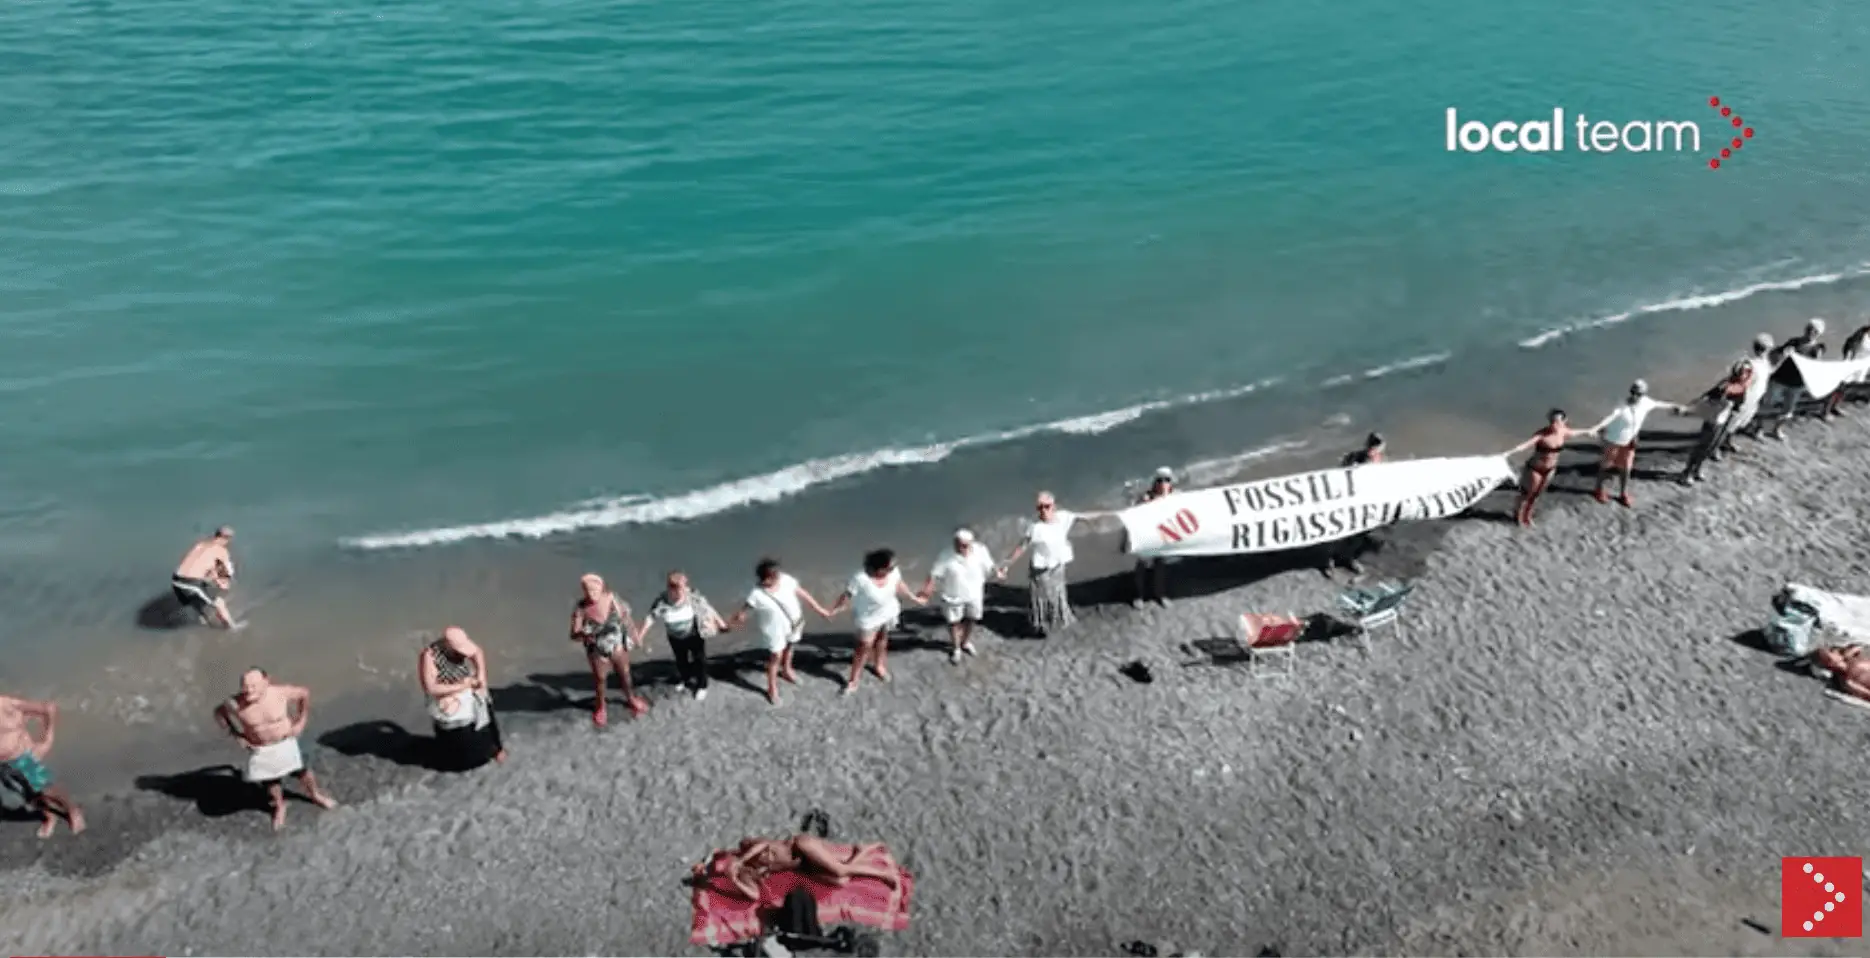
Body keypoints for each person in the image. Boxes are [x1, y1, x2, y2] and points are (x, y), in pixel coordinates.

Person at [212, 668, 339, 830]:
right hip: (262, 748)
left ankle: (315, 795)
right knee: (271, 783)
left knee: (304, 772)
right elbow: (219, 713)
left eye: (254, 686)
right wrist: (236, 735)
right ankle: (279, 806)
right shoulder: (236, 704)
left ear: (266, 682)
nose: (249, 690)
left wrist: (301, 721)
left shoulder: (280, 693)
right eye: (245, 687)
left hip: (287, 741)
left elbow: (304, 694)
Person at [725, 558, 833, 706]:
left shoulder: (786, 580)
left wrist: (820, 610)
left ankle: (787, 670)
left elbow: (803, 594)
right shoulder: (756, 594)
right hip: (773, 631)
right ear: (766, 578)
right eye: (775, 575)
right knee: (776, 656)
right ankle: (772, 688)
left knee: (791, 646)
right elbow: (743, 613)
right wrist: (728, 625)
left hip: (794, 623)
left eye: (778, 573)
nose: (779, 576)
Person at [1002, 491, 1103, 638]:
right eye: (1040, 507)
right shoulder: (1035, 528)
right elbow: (1021, 547)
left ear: (1053, 506)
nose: (1043, 510)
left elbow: (1081, 517)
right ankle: (1041, 626)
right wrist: (1007, 565)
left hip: (1057, 565)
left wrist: (1103, 516)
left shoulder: (1063, 517)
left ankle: (1060, 621)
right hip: (1041, 570)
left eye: (1047, 506)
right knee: (1042, 598)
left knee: (1058, 594)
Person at [825, 548, 926, 695]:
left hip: (887, 612)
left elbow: (899, 585)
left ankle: (879, 666)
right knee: (863, 647)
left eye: (892, 567)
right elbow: (847, 595)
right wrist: (834, 610)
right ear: (879, 568)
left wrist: (914, 598)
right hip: (868, 617)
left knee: (882, 639)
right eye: (889, 567)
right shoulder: (860, 578)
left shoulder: (893, 572)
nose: (893, 569)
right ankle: (854, 680)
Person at [1585, 380, 1690, 507]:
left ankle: (1623, 493)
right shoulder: (1621, 407)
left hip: (1630, 441)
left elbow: (1659, 404)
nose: (1635, 396)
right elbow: (1609, 418)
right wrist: (1595, 428)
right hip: (1613, 440)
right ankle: (1598, 490)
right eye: (1633, 392)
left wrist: (1676, 406)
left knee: (1626, 469)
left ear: (1643, 394)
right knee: (1606, 466)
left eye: (1639, 394)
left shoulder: (1646, 402)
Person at [712, 834, 902, 902]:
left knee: (840, 870)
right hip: (803, 866)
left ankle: (883, 874)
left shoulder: (746, 848)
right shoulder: (745, 876)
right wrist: (735, 879)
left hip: (800, 846)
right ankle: (863, 852)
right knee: (841, 882)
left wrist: (742, 859)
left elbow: (763, 844)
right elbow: (755, 896)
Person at [418, 627, 506, 772]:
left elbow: (477, 652)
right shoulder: (430, 656)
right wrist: (461, 686)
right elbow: (431, 688)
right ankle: (457, 757)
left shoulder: (463, 645)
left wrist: (481, 676)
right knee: (452, 722)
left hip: (466, 683)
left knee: (486, 708)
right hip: (448, 692)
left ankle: (496, 748)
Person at [0, 694, 84, 838]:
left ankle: (72, 811)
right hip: (3, 766)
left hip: (24, 759)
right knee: (29, 797)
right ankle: (49, 816)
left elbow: (48, 708)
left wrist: (47, 739)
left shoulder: (7, 704)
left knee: (46, 790)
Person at [570, 573, 646, 727]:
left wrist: (635, 636)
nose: (591, 595)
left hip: (617, 645)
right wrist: (583, 634)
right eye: (588, 592)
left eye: (594, 591)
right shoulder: (581, 608)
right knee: (600, 680)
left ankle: (631, 698)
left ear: (602, 588)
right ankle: (600, 706)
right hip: (597, 649)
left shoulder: (612, 599)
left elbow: (626, 618)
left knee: (625, 675)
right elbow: (573, 634)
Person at [920, 528, 1004, 664]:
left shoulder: (980, 550)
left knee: (972, 618)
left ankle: (965, 642)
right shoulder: (946, 556)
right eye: (959, 544)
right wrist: (926, 591)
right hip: (953, 595)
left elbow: (990, 564)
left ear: (971, 543)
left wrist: (998, 572)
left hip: (975, 593)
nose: (962, 548)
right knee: (953, 622)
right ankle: (956, 647)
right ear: (954, 543)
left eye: (965, 545)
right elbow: (934, 574)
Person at [640, 571, 727, 701]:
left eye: (684, 586)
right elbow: (651, 617)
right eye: (680, 588)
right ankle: (685, 679)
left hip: (693, 633)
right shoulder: (662, 601)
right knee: (681, 659)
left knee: (699, 659)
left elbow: (708, 608)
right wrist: (641, 635)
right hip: (674, 636)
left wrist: (720, 623)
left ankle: (702, 685)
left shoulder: (692, 596)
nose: (684, 590)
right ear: (670, 588)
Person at [1505, 410, 1593, 527]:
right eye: (1552, 422)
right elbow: (1527, 444)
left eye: (1557, 422)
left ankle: (1528, 515)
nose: (1554, 425)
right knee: (1528, 493)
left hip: (1550, 469)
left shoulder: (1563, 432)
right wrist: (1512, 451)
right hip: (1535, 468)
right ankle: (1517, 514)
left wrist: (1590, 431)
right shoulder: (1542, 434)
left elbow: (1577, 432)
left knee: (1537, 494)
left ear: (1564, 422)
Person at [1680, 355, 1757, 485]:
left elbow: (1737, 403)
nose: (1748, 374)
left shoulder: (1739, 386)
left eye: (1748, 372)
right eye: (1745, 372)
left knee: (1711, 447)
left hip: (1724, 420)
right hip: (1713, 420)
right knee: (1703, 447)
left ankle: (1698, 469)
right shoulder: (1728, 387)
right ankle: (1687, 472)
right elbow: (1710, 397)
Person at [1324, 434, 1386, 575]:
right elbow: (1339, 476)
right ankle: (1328, 561)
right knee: (1340, 531)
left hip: (1367, 503)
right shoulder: (1353, 458)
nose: (1372, 451)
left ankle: (1348, 558)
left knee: (1359, 533)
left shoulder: (1381, 462)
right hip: (1349, 501)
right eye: (1371, 447)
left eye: (1376, 448)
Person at [1763, 318, 1826, 440]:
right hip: (1780, 379)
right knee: (1768, 404)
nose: (1811, 332)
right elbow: (1775, 354)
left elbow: (1816, 367)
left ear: (1819, 334)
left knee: (1788, 410)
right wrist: (1783, 353)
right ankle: (1758, 428)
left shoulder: (1817, 349)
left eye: (1815, 331)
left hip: (1797, 384)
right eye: (1809, 329)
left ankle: (1777, 429)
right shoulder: (1793, 342)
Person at [172, 526, 242, 630]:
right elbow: (222, 576)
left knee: (198, 597)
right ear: (226, 539)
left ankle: (203, 619)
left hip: (176, 580)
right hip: (190, 584)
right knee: (219, 602)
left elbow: (200, 565)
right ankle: (233, 628)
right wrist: (223, 584)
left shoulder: (200, 545)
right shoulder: (222, 551)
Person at [1130, 468, 1176, 607]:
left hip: (1164, 536)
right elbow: (1133, 512)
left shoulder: (1176, 497)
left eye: (1167, 480)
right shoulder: (1146, 497)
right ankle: (1138, 595)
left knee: (1160, 565)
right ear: (1155, 483)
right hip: (1148, 535)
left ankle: (1160, 594)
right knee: (1142, 566)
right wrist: (1144, 503)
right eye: (1160, 480)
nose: (1163, 483)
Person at [1724, 333, 1777, 446]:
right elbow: (1741, 382)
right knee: (1732, 422)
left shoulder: (1763, 363)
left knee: (1739, 422)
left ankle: (1727, 441)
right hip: (1746, 398)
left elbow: (1770, 372)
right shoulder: (1750, 364)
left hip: (1754, 398)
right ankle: (1719, 445)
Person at [1825, 320, 1870, 417]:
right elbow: (1850, 345)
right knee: (1839, 387)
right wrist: (1847, 359)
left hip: (1861, 367)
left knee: (1845, 388)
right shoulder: (1862, 333)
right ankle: (1826, 411)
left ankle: (1835, 407)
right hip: (1852, 363)